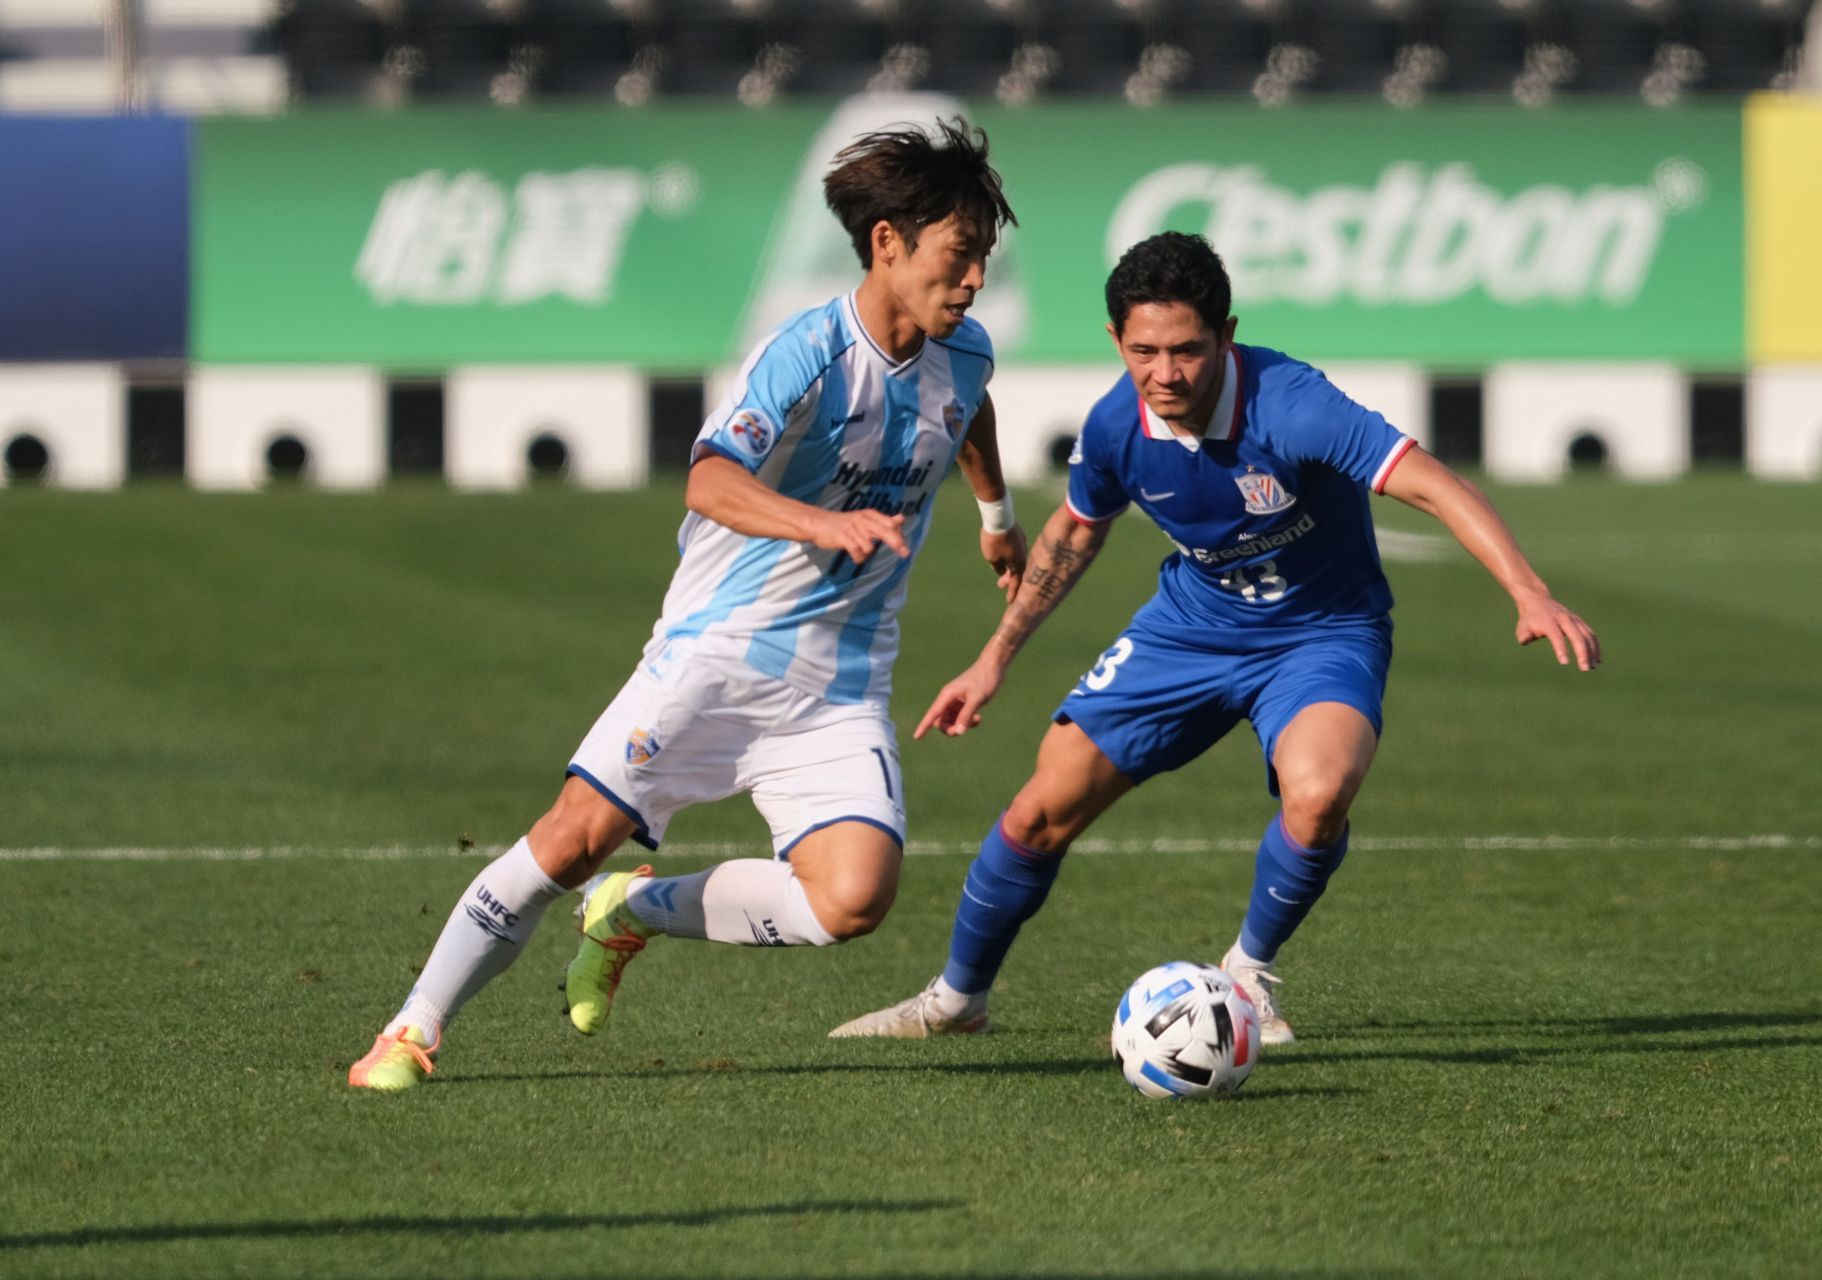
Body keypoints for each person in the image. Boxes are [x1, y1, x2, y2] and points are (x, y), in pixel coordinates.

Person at [350, 118, 1025, 1091]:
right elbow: (708, 480)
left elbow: (970, 409)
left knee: (853, 899)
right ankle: (412, 1027)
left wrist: (995, 515)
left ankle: (637, 910)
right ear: (888, 242)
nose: (972, 282)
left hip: (838, 686)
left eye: (983, 263)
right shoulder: (805, 353)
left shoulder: (966, 354)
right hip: (715, 655)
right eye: (959, 258)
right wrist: (818, 525)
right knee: (571, 841)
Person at [831, 232, 1599, 1045]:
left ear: (1226, 335)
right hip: (1190, 629)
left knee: (1319, 792)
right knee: (1037, 812)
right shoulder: (1117, 426)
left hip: (1323, 632)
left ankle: (1248, 973)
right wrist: (993, 660)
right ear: (1116, 342)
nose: (1165, 373)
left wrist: (1528, 592)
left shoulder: (1294, 404)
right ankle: (955, 1002)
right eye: (1144, 351)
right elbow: (1075, 531)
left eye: (1188, 350)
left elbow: (1435, 485)